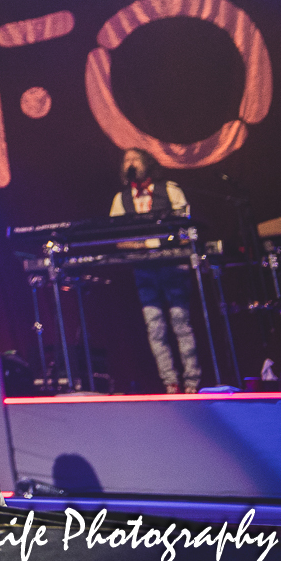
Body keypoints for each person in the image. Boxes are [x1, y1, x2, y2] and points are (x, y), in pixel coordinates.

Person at [109, 147, 201, 393]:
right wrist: (137, 246)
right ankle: (169, 381)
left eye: (135, 158)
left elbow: (186, 226)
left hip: (172, 265)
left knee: (181, 322)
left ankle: (192, 381)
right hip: (144, 268)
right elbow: (116, 236)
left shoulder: (169, 189)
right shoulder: (122, 198)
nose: (130, 163)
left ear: (147, 163)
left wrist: (169, 244)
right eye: (126, 159)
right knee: (155, 325)